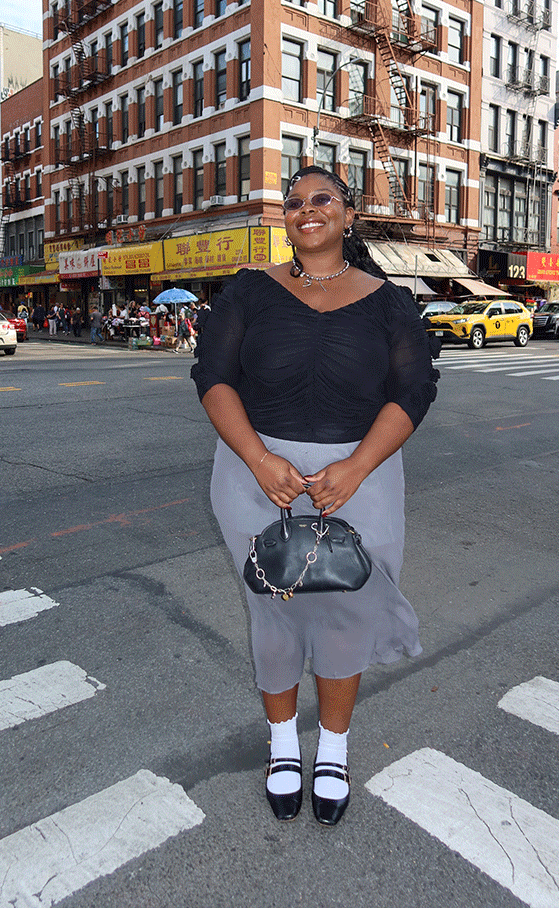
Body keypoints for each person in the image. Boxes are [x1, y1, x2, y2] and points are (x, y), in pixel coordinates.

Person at [191, 165, 438, 828]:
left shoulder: (390, 301)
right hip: (255, 474)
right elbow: (213, 376)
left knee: (346, 613)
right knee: (274, 612)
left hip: (362, 477)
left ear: (348, 213)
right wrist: (258, 457)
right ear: (285, 220)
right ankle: (281, 748)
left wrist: (357, 466)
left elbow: (414, 390)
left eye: (321, 198)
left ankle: (332, 748)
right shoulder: (247, 292)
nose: (306, 209)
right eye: (293, 202)